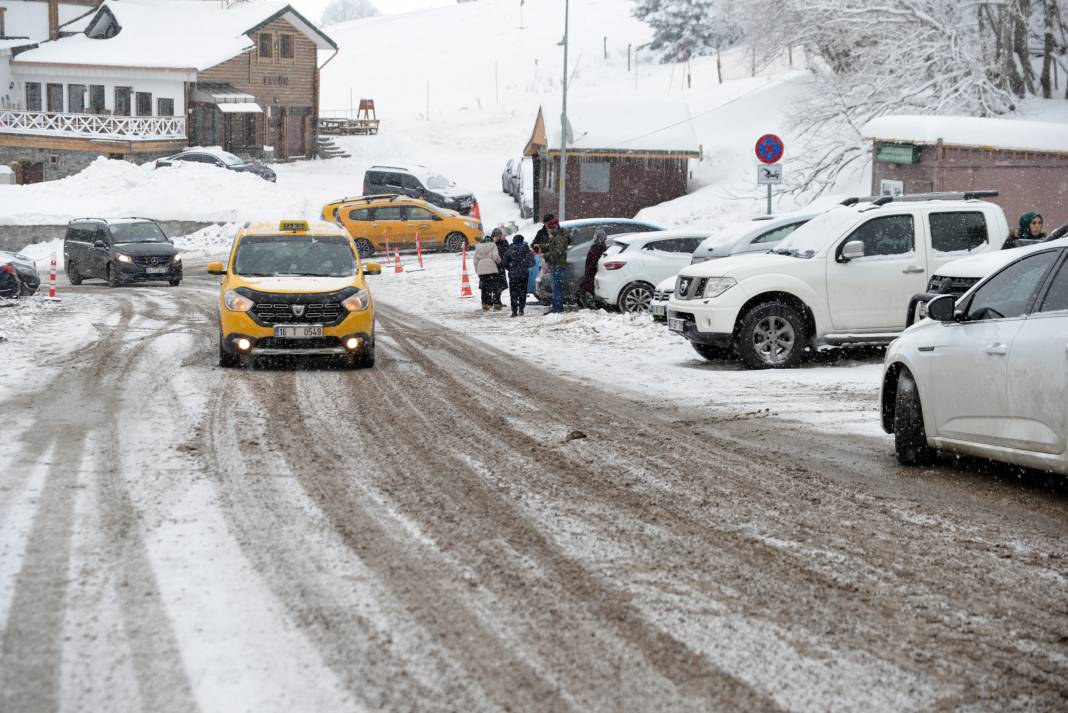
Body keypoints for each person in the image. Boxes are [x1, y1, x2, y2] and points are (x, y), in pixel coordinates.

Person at [542, 221, 571, 314]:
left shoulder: (559, 239)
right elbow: (553, 248)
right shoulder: (556, 238)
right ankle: (557, 307)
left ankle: (557, 309)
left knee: (556, 289)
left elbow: (558, 252)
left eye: (549, 229)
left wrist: (545, 255)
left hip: (558, 266)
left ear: (554, 228)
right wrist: (542, 246)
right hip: (557, 266)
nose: (548, 231)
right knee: (557, 288)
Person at [502, 234, 534, 316]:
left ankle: (514, 311)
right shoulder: (526, 249)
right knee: (523, 292)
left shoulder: (510, 249)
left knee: (513, 293)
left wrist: (510, 268)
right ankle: (521, 309)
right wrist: (525, 266)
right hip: (524, 274)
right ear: (522, 240)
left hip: (513, 275)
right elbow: (532, 262)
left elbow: (504, 262)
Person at [578, 228, 608, 307]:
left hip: (592, 272)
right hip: (591, 272)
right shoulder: (598, 246)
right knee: (587, 287)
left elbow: (595, 260)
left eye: (595, 234)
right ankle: (591, 303)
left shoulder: (598, 247)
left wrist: (590, 268)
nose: (593, 236)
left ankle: (591, 304)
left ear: (598, 237)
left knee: (587, 288)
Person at [473, 235, 501, 311]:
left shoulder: (478, 247)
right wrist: (499, 261)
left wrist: (477, 271)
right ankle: (497, 304)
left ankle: (485, 304)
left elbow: (475, 262)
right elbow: (495, 256)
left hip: (481, 270)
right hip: (492, 269)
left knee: (484, 288)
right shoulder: (493, 245)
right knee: (495, 287)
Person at [492, 228, 509, 307]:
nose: (498, 237)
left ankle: (497, 301)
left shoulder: (504, 242)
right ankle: (496, 301)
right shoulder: (491, 243)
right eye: (497, 235)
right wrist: (493, 243)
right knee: (496, 285)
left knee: (502, 285)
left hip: (501, 266)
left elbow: (507, 251)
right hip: (494, 266)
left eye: (499, 235)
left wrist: (504, 241)